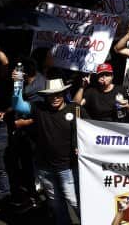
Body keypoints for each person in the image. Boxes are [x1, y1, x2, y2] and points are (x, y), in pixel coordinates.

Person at [13, 78, 77, 225]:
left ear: (64, 93)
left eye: (58, 94)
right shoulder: (39, 108)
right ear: (45, 96)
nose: (55, 98)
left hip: (67, 167)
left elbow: (89, 132)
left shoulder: (76, 109)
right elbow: (17, 104)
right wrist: (17, 83)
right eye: (51, 95)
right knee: (55, 204)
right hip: (45, 167)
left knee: (74, 201)